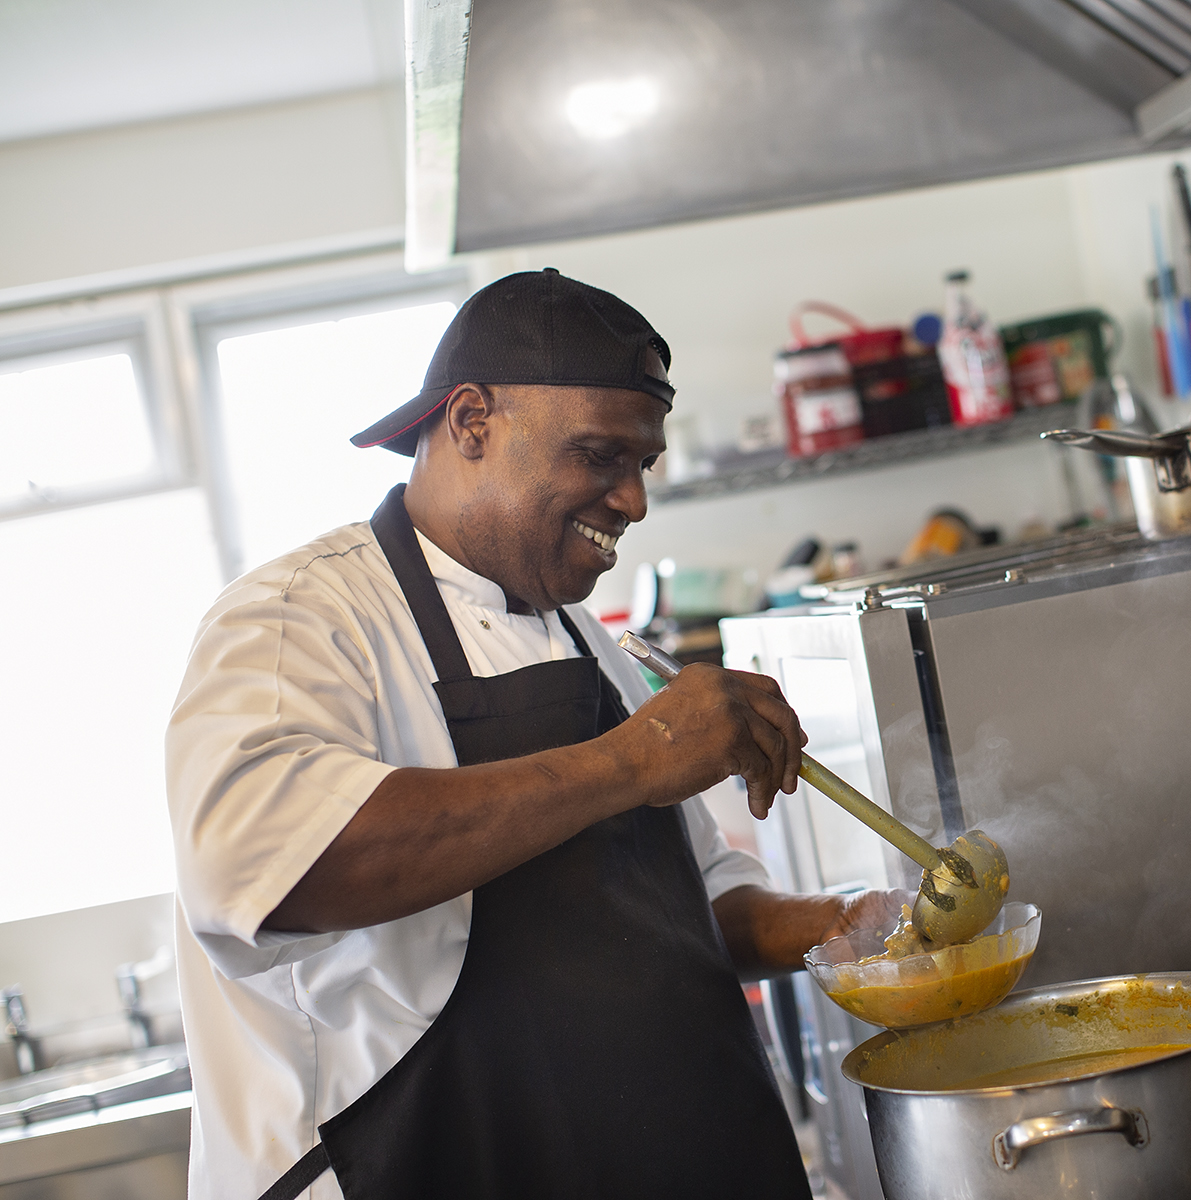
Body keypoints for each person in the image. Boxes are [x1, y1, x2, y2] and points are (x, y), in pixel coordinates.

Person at [166, 269, 903, 1200]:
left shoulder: (577, 633)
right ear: (471, 421)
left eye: (642, 467)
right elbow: (267, 867)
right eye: (600, 456)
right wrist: (634, 760)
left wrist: (849, 931)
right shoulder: (294, 621)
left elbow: (687, 907)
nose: (633, 502)